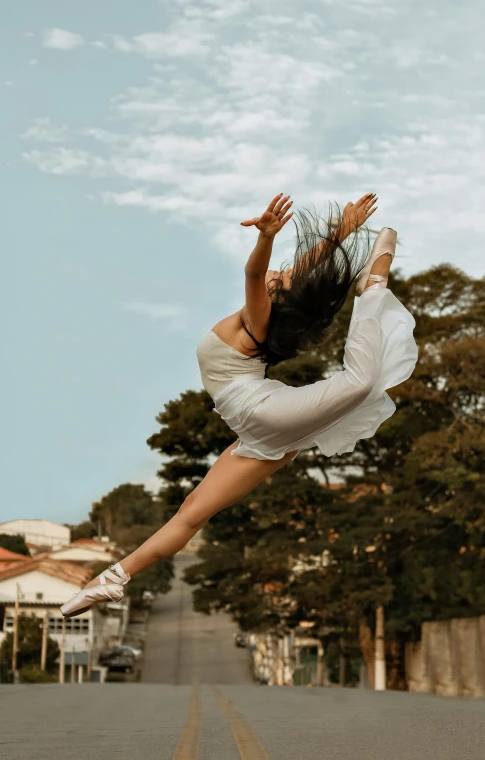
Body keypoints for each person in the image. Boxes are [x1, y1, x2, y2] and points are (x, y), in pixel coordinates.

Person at [60, 192, 418, 617]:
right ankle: (115, 578)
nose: (282, 271)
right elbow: (300, 272)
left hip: (263, 412)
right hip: (259, 428)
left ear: (273, 296)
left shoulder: (257, 316)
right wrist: (343, 229)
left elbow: (255, 272)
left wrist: (266, 238)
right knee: (192, 512)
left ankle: (375, 282)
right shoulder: (267, 309)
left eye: (280, 276)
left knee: (361, 383)